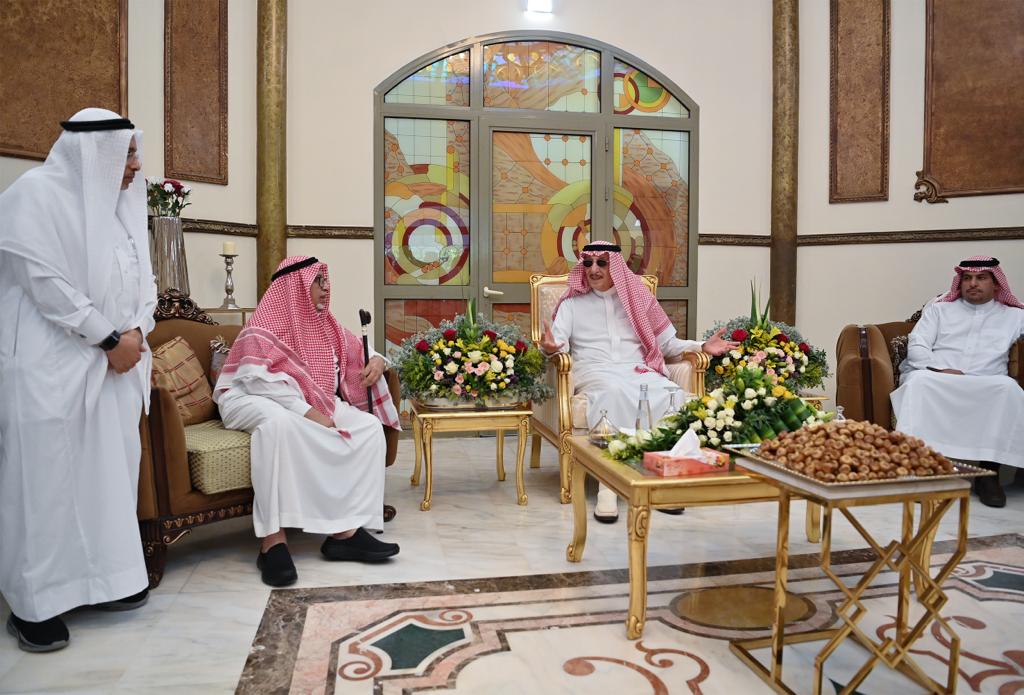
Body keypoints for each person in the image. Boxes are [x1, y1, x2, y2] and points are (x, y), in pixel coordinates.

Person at [0, 108, 156, 652]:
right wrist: (109, 339)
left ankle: (106, 581)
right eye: (128, 154)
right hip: (52, 370)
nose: (136, 166)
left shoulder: (117, 210)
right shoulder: (34, 196)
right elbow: (45, 282)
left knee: (107, 480)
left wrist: (135, 331)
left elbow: (143, 280)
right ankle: (35, 604)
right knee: (47, 486)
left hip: (115, 370)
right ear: (96, 153)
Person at [214, 255, 402, 587]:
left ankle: (346, 532)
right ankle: (272, 541)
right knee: (279, 426)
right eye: (318, 281)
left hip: (309, 400)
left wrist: (376, 360)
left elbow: (359, 349)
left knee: (368, 429)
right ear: (295, 285)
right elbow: (258, 382)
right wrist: (311, 415)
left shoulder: (323, 323)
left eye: (326, 281)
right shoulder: (264, 323)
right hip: (249, 398)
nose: (326, 288)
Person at [539, 241, 738, 522]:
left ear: (616, 267)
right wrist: (550, 348)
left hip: (636, 370)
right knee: (612, 391)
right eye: (588, 263)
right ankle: (608, 485)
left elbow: (667, 344)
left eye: (601, 263)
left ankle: (664, 479)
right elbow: (557, 345)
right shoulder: (571, 305)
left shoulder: (638, 300)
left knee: (670, 393)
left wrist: (702, 346)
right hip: (594, 370)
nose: (593, 269)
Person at [891, 256, 1024, 508]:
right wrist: (940, 370)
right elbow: (918, 343)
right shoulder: (940, 309)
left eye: (981, 278)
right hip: (937, 377)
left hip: (987, 382)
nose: (973, 283)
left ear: (996, 284)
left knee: (1008, 388)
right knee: (918, 382)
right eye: (967, 278)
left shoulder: (1015, 315)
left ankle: (989, 475)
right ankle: (920, 469)